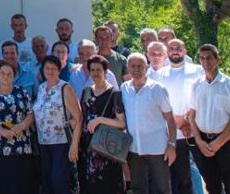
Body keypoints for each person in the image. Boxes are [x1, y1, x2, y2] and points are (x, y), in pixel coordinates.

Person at [187, 45, 230, 194]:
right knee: (212, 186)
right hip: (203, 142)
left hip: (226, 141)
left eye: (209, 57)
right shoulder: (196, 85)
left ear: (217, 59)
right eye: (202, 58)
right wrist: (199, 141)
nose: (205, 61)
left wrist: (219, 142)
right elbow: (191, 115)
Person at [153, 38, 205, 194]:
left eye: (178, 48)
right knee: (180, 179)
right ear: (167, 52)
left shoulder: (198, 70)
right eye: (171, 48)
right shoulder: (159, 74)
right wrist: (178, 121)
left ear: (185, 51)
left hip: (197, 130)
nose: (175, 51)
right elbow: (157, 102)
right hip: (174, 134)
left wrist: (188, 119)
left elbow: (202, 97)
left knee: (207, 174)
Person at [121, 53, 176, 194]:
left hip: (157, 148)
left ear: (146, 67)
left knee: (161, 188)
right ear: (128, 67)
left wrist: (171, 145)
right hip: (134, 148)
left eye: (140, 66)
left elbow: (170, 119)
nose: (136, 69)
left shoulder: (157, 89)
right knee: (138, 188)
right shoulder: (124, 89)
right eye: (133, 66)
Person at [0, 61, 35, 192]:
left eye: (9, 74)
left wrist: (21, 126)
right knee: (2, 183)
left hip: (22, 146)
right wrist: (2, 132)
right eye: (3, 74)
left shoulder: (21, 92)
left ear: (14, 77)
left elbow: (31, 114)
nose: (6, 76)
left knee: (22, 183)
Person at [78, 55, 126, 194]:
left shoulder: (115, 93)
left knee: (108, 184)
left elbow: (121, 123)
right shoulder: (86, 92)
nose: (95, 73)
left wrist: (99, 120)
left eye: (99, 69)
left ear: (105, 72)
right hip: (88, 147)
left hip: (106, 148)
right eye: (92, 70)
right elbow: (83, 117)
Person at [34, 55, 81, 194]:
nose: (50, 71)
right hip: (43, 142)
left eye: (54, 68)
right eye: (47, 68)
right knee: (48, 181)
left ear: (59, 71)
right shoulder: (41, 88)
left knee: (59, 181)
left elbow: (78, 118)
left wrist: (74, 145)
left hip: (61, 142)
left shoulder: (65, 88)